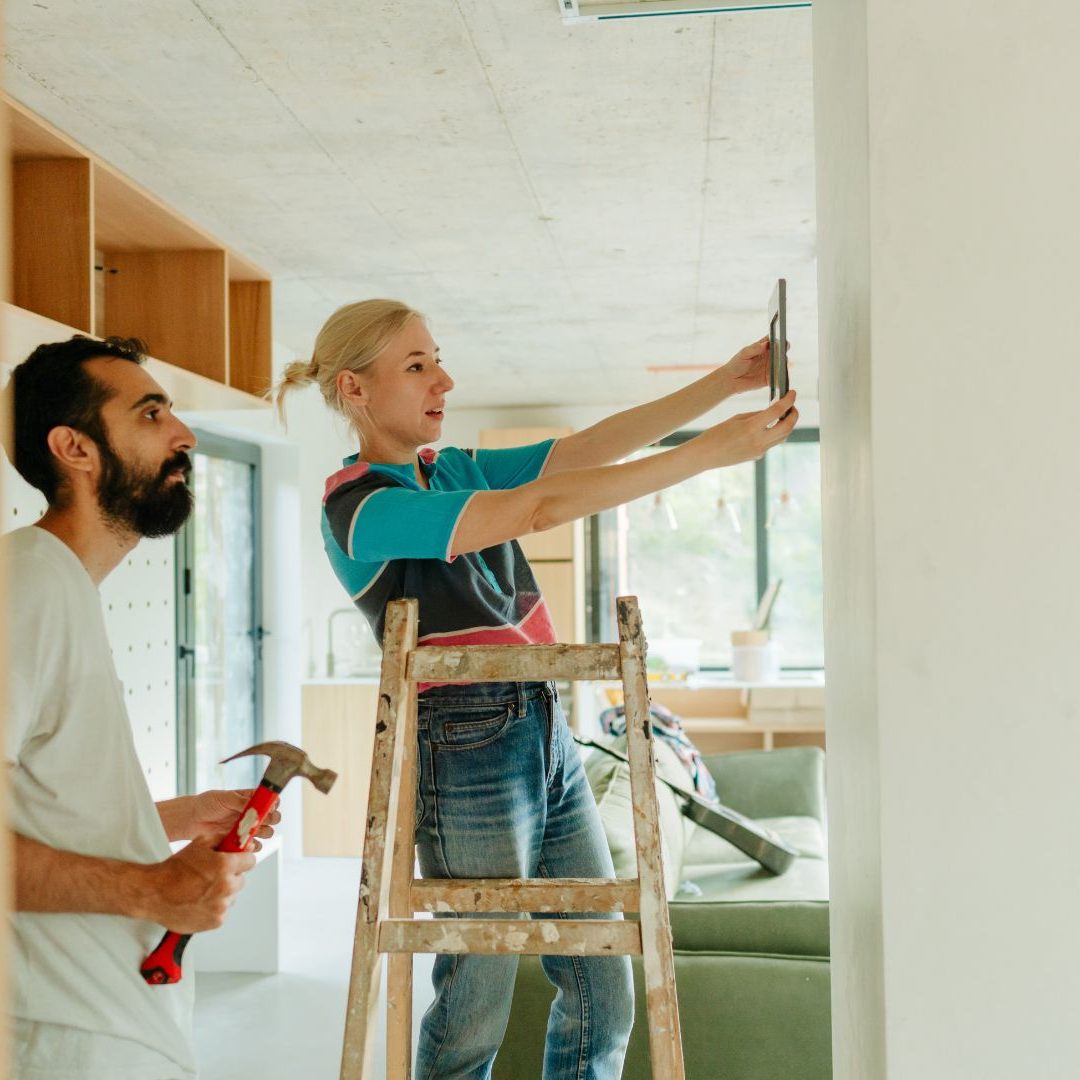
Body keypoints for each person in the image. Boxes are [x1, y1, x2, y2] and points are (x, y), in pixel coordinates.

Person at [273, 299, 798, 1080]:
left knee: (603, 990)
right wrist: (707, 454)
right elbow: (540, 507)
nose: (443, 380)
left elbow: (584, 451)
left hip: (545, 723)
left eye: (437, 359)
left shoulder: (451, 468)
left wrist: (722, 384)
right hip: (468, 741)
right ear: (354, 388)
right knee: (474, 1005)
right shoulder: (362, 508)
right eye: (416, 365)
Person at [3, 335, 280, 1080]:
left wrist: (170, 819)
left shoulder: (58, 585)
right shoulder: (28, 586)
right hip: (63, 1035)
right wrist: (152, 888)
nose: (185, 435)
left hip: (106, 1022)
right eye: (152, 414)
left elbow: (36, 813)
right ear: (76, 449)